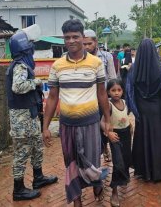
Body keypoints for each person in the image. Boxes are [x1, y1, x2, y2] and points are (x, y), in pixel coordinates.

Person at [43, 19, 111, 207]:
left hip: (90, 123)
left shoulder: (96, 63)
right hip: (67, 125)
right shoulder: (57, 66)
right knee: (71, 163)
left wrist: (107, 119)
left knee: (91, 162)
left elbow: (102, 93)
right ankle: (77, 200)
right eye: (67, 37)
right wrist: (45, 127)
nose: (71, 41)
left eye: (75, 37)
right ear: (63, 40)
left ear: (83, 38)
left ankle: (97, 184)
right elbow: (52, 97)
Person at [6, 25, 58, 201]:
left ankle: (38, 178)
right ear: (25, 49)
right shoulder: (20, 66)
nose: (33, 51)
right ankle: (18, 189)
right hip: (22, 118)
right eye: (31, 47)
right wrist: (35, 82)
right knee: (22, 152)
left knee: (36, 147)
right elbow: (18, 87)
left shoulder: (22, 65)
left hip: (30, 115)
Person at [126, 38, 161, 181]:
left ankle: (144, 171)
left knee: (143, 139)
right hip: (159, 112)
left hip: (142, 111)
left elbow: (129, 91)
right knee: (160, 140)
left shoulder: (133, 70)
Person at [83, 29, 117, 163]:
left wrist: (112, 99)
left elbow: (113, 78)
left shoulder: (106, 57)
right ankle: (97, 152)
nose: (86, 47)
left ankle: (105, 148)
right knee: (92, 128)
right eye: (84, 44)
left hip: (103, 99)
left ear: (95, 42)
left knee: (105, 125)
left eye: (89, 44)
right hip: (88, 100)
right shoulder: (81, 58)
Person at [100, 79, 132, 207]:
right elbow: (102, 122)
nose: (116, 93)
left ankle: (123, 178)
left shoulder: (124, 102)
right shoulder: (108, 105)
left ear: (123, 91)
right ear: (108, 92)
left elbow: (123, 117)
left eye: (119, 90)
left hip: (126, 135)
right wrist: (109, 133)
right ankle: (114, 191)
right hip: (115, 136)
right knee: (118, 163)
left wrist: (130, 125)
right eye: (113, 90)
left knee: (126, 160)